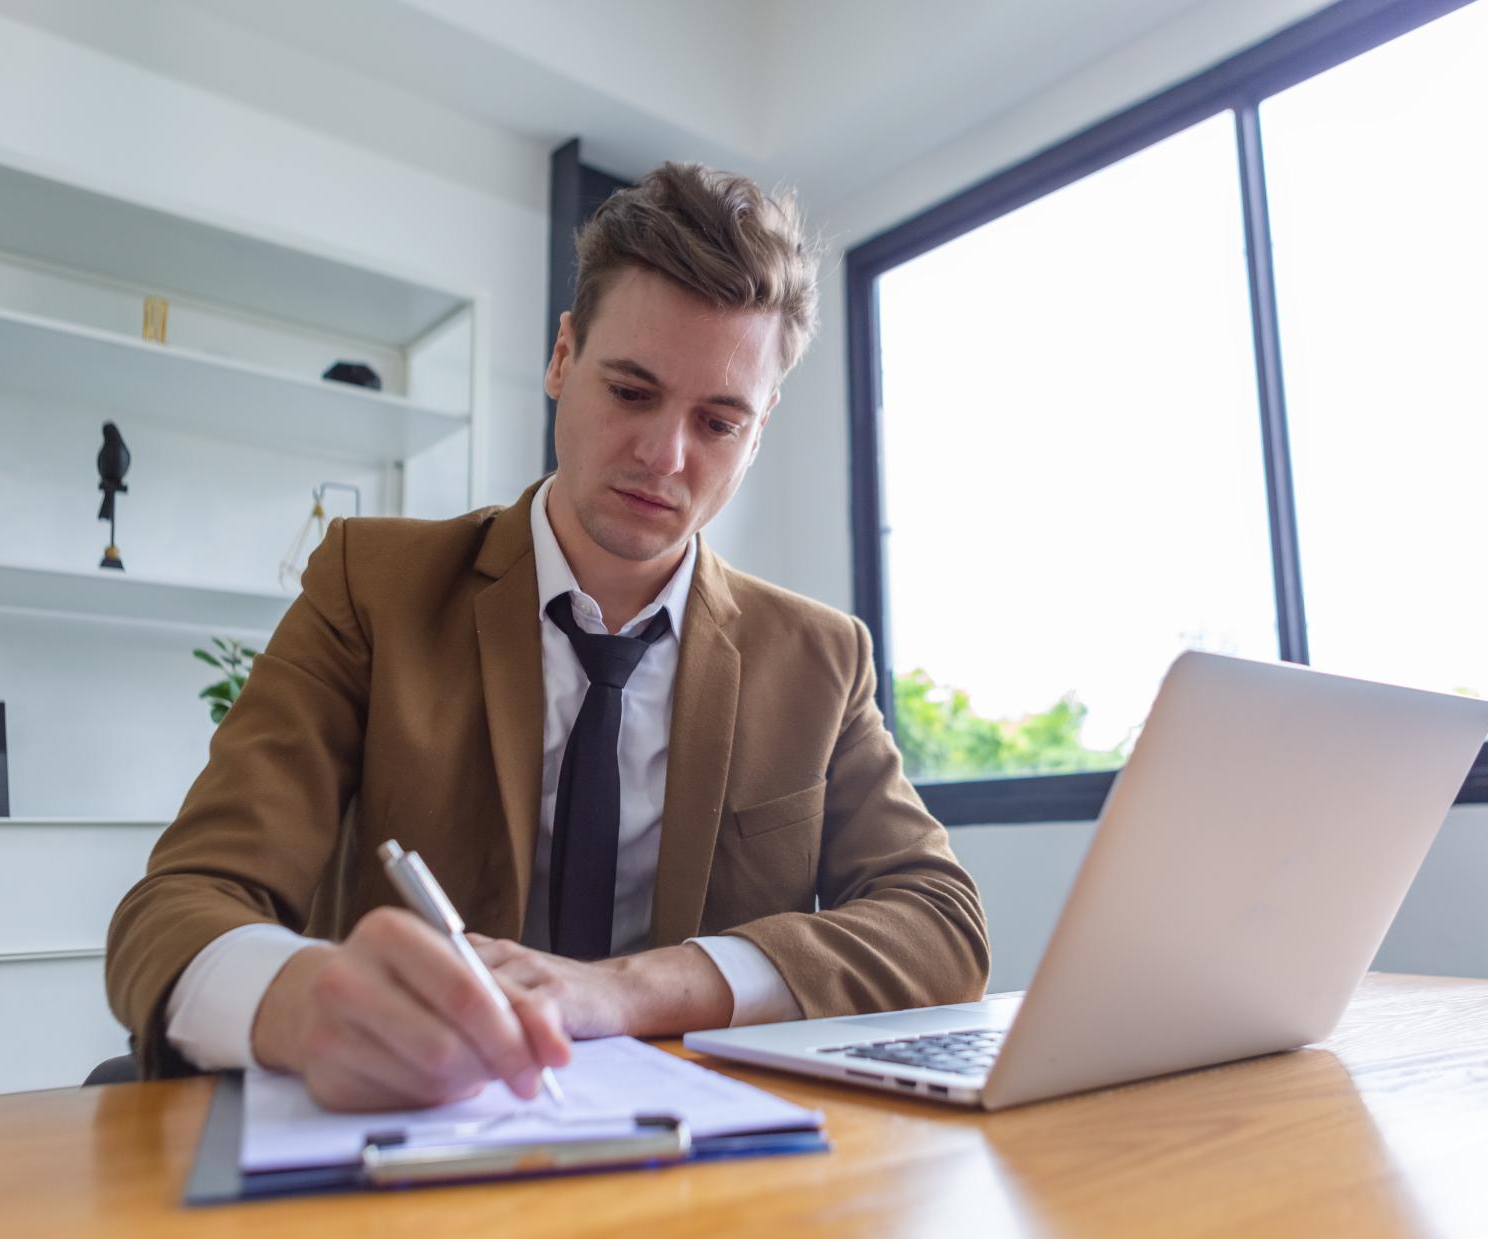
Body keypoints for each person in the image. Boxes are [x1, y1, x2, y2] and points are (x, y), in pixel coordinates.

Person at [105, 162, 989, 1110]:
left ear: (762, 426)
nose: (665, 457)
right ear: (562, 356)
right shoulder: (373, 585)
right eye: (632, 392)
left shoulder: (820, 658)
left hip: (704, 1169)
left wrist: (629, 989)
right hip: (416, 1143)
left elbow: (941, 925)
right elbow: (179, 906)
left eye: (720, 421)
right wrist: (298, 1001)